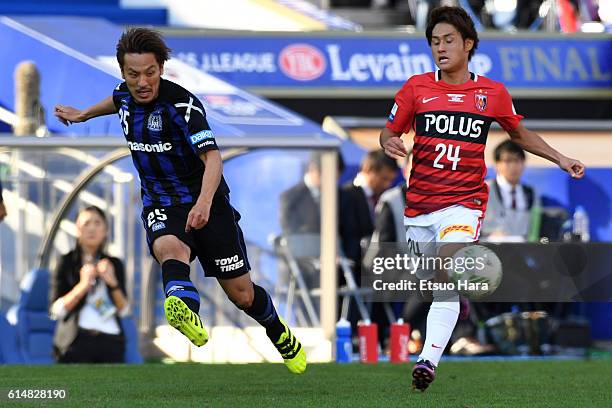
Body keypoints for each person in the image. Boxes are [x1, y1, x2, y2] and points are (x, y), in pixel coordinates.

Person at [54, 28, 306, 373]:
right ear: (122, 73)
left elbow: (213, 159)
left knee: (242, 294)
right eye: (132, 74)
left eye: (149, 73)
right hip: (161, 202)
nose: (142, 82)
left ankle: (279, 332)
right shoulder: (123, 95)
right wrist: (83, 114)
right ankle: (186, 311)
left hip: (207, 201)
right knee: (170, 249)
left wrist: (203, 204)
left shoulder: (183, 106)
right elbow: (115, 100)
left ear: (161, 69)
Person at [379, 6, 585, 391]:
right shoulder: (415, 88)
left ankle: (428, 361)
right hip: (419, 207)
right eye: (435, 42)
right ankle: (449, 316)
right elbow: (387, 131)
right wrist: (389, 141)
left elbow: (519, 134)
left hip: (464, 202)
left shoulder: (491, 93)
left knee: (446, 272)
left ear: (468, 44)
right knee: (433, 286)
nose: (440, 48)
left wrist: (560, 157)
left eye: (449, 40)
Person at [49, 206, 129, 363]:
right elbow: (56, 311)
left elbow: (124, 310)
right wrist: (83, 285)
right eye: (86, 223)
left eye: (97, 223)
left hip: (111, 340)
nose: (92, 228)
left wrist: (112, 283)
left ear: (106, 230)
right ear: (77, 230)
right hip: (75, 340)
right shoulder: (66, 262)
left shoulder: (114, 263)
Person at [480, 140, 541, 242]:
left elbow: (535, 229)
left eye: (517, 160)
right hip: (489, 249)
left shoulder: (530, 193)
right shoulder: (483, 190)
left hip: (522, 250)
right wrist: (489, 234)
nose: (513, 166)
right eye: (507, 161)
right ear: (496, 164)